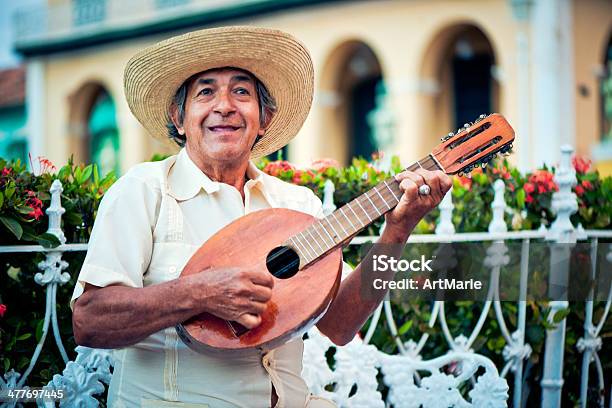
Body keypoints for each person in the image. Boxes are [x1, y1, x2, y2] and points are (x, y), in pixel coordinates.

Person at [71, 26, 451, 408]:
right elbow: (89, 321)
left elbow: (337, 325)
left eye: (241, 92)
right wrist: (200, 292)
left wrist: (397, 232)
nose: (224, 106)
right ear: (179, 117)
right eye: (205, 92)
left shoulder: (296, 204)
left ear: (263, 118)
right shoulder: (144, 190)